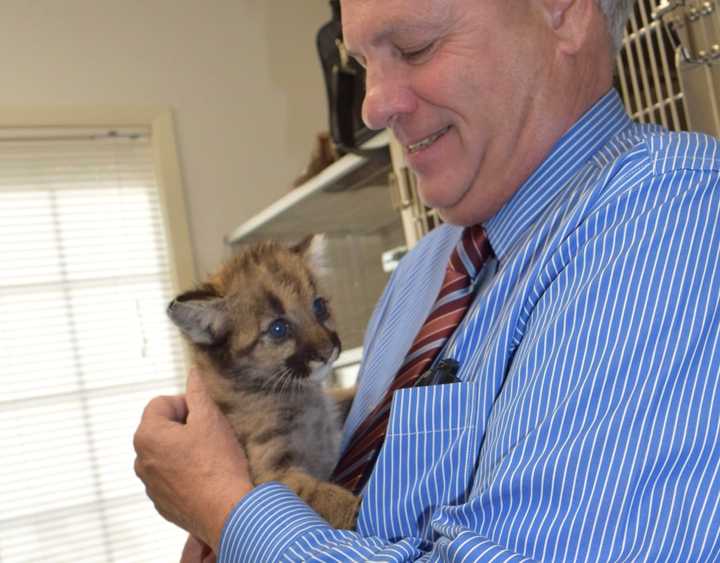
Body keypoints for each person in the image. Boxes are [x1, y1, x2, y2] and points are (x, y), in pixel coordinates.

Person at [134, 0, 720, 560]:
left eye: (415, 46)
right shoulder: (423, 275)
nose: (372, 107)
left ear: (562, 12)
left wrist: (226, 508)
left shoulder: (670, 224)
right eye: (362, 63)